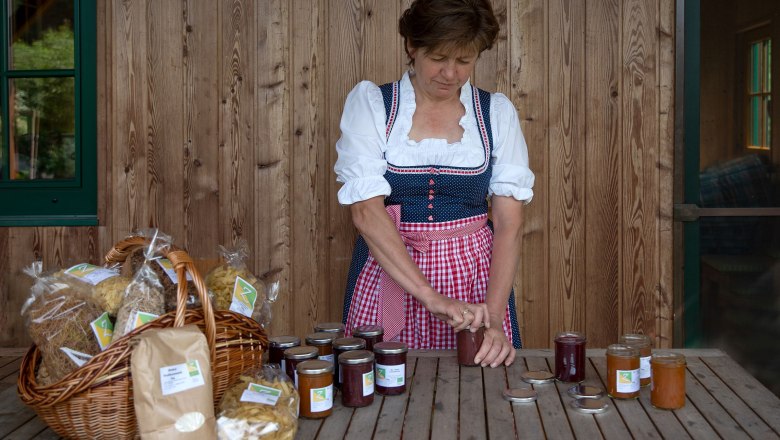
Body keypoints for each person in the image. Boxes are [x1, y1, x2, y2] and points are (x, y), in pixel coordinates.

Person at [334, 0, 534, 368]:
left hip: (474, 277)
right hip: (390, 270)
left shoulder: (495, 112)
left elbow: (509, 222)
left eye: (464, 60)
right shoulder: (375, 105)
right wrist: (430, 296)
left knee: (480, 381)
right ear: (412, 46)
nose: (450, 73)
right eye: (439, 57)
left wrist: (491, 319)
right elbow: (365, 212)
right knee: (385, 381)